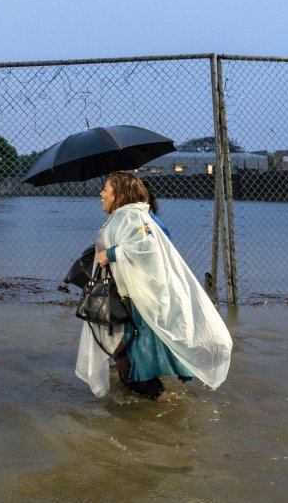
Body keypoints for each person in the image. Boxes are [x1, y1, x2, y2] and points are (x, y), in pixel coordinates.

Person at [75, 171, 232, 402]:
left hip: (138, 297)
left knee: (131, 347)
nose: (101, 193)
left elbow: (146, 250)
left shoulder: (133, 218)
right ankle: (141, 398)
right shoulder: (127, 216)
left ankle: (157, 399)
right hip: (129, 294)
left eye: (106, 189)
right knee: (125, 347)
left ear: (119, 194)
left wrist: (109, 254)